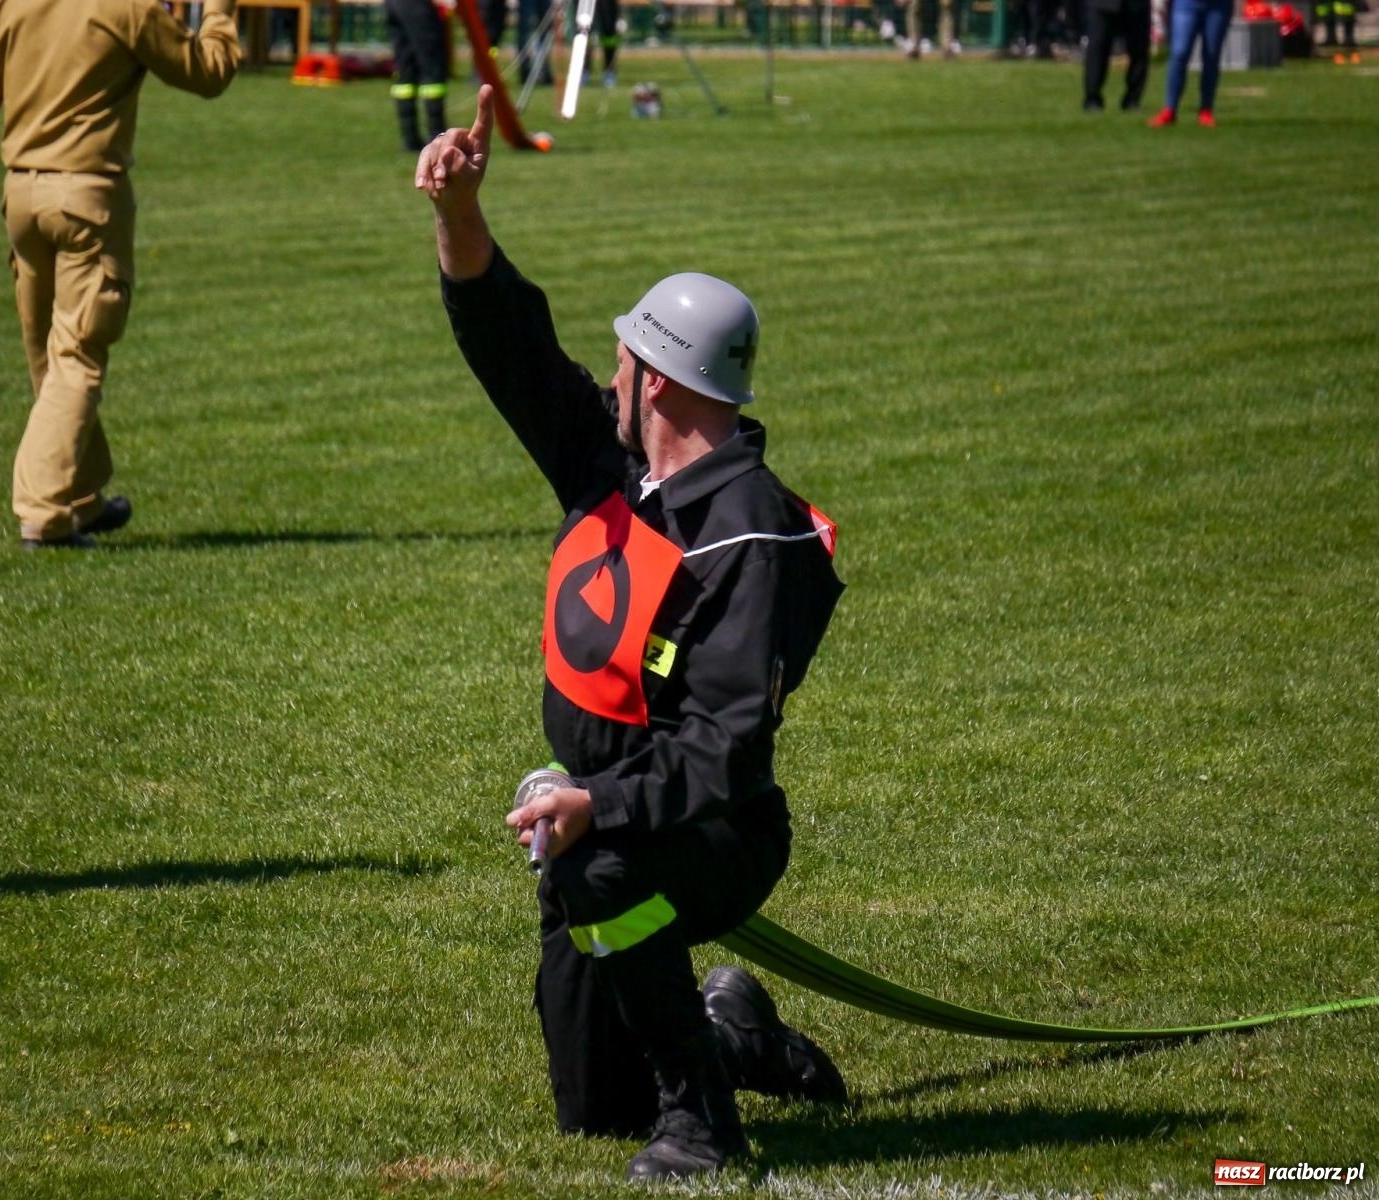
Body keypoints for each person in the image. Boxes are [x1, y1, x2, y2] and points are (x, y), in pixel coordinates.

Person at [417, 87, 850, 1182]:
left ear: (653, 379)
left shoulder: (753, 537)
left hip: (712, 831)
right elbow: (512, 349)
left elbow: (724, 752)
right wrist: (459, 213)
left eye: (621, 361)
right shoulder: (616, 469)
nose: (608, 375)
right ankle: (735, 1033)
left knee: (603, 873)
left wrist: (593, 806)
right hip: (600, 816)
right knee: (594, 1110)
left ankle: (705, 1122)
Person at [0, 0, 241, 549]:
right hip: (87, 198)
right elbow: (208, 72)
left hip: (22, 196)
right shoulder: (128, 6)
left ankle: (81, 497)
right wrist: (217, 9)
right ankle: (44, 514)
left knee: (49, 357)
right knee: (76, 357)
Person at [1148, 0, 1230, 125]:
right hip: (1186, 4)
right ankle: (1169, 109)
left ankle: (1206, 110)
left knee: (1211, 55)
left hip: (1218, 6)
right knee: (1179, 53)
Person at [385, 0, 449, 152]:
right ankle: (437, 134)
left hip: (394, 5)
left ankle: (410, 138)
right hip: (418, 5)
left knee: (405, 69)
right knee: (433, 68)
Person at [1082, 0, 1150, 110]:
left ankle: (1132, 100)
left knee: (1139, 51)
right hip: (1101, 5)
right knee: (1097, 49)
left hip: (1136, 5)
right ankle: (1092, 99)